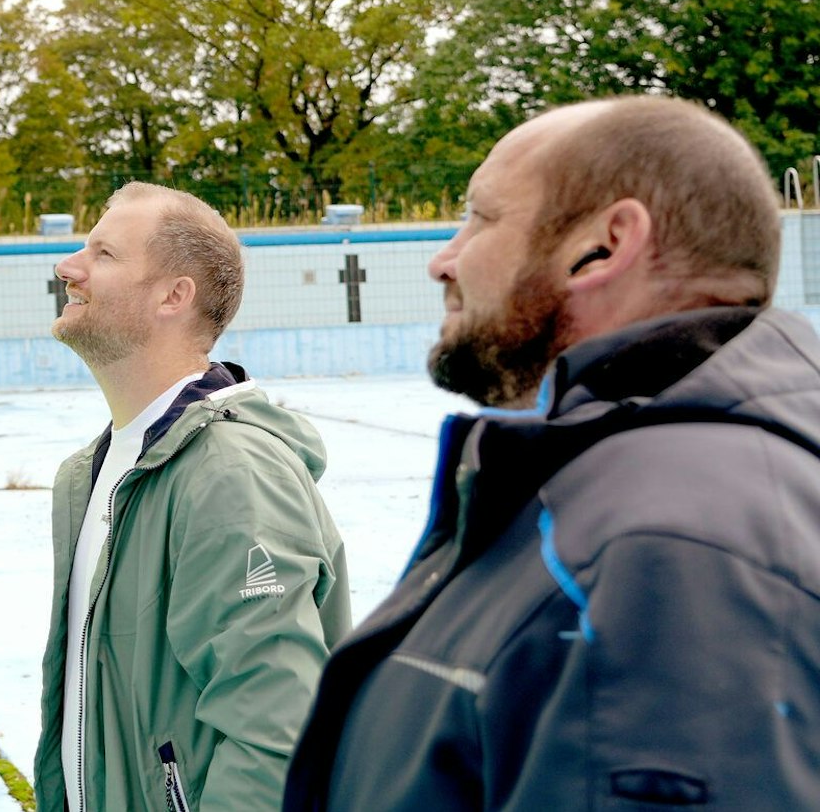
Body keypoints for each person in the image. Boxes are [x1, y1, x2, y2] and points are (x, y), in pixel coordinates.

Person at [283, 96, 820, 810]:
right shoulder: (619, 494)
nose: (443, 261)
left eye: (481, 217)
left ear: (604, 245)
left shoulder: (669, 552)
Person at [35, 183, 350, 812]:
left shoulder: (229, 474)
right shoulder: (98, 470)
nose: (68, 267)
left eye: (103, 253)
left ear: (173, 296)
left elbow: (275, 731)